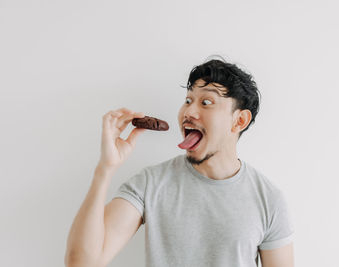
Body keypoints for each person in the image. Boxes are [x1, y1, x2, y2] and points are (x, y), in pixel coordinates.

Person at [64, 57, 295, 267]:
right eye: (188, 100)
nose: (189, 111)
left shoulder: (269, 200)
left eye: (206, 103)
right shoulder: (150, 184)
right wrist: (105, 169)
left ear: (239, 120)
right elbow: (81, 262)